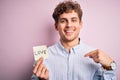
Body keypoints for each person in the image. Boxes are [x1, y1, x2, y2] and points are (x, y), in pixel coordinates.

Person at [31, 1, 116, 80]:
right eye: (63, 21)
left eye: (73, 20)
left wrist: (110, 66)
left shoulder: (97, 57)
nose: (69, 25)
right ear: (56, 26)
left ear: (80, 24)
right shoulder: (42, 58)